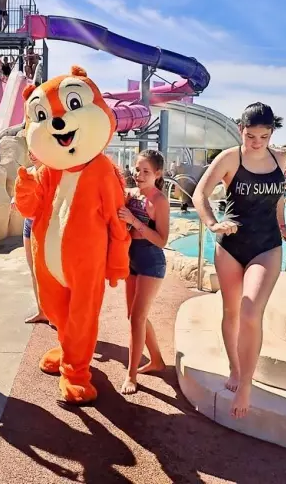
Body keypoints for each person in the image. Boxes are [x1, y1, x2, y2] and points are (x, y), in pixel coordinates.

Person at [192, 102, 286, 419]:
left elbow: (278, 196)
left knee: (250, 311)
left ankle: (245, 383)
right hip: (231, 244)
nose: (257, 142)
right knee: (231, 311)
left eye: (264, 136)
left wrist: (282, 224)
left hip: (267, 245)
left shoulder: (280, 158)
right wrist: (212, 224)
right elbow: (199, 194)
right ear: (241, 130)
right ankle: (235, 368)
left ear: (271, 133)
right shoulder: (230, 158)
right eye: (250, 136)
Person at [117, 149, 169, 394]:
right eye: (137, 169)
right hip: (131, 259)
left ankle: (131, 376)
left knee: (137, 318)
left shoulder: (160, 201)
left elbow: (162, 240)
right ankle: (157, 360)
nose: (139, 175)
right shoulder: (132, 195)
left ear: (157, 174)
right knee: (134, 316)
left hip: (151, 260)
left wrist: (134, 221)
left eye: (146, 171)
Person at [20, 151, 49, 325]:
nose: (32, 155)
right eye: (29, 151)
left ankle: (54, 312)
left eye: (35, 151)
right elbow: (21, 196)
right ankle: (41, 311)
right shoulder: (28, 173)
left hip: (45, 225)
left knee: (48, 271)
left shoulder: (50, 173)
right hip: (29, 223)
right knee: (33, 270)